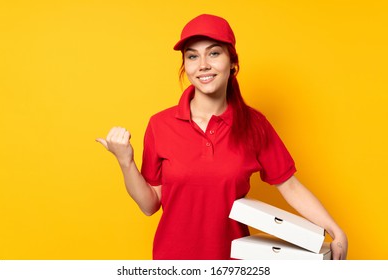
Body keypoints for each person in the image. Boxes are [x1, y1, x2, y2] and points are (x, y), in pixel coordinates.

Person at [96, 14, 348, 260]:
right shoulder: (160, 125)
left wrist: (335, 230)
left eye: (214, 53)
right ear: (186, 66)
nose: (203, 64)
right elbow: (149, 205)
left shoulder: (254, 125)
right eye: (193, 56)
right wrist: (125, 161)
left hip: (234, 264)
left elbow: (290, 185)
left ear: (232, 62)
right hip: (172, 264)